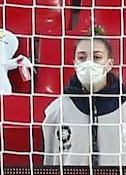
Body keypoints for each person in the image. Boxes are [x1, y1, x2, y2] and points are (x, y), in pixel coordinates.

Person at [42, 27, 126, 167]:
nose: (88, 63)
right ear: (75, 63)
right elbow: (49, 163)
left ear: (109, 64)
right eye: (82, 58)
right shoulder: (57, 109)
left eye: (97, 57)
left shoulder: (124, 107)